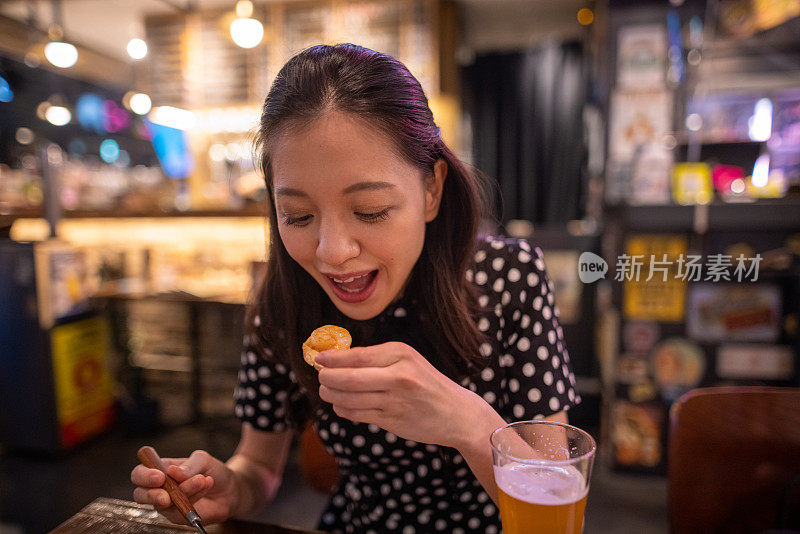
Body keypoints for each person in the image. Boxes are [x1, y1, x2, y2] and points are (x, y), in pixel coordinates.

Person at [131, 43, 580, 533]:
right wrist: (228, 487)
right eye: (298, 216)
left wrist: (471, 425)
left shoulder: (510, 279)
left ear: (431, 189)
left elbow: (555, 506)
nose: (332, 252)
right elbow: (258, 467)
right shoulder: (284, 301)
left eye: (369, 211)